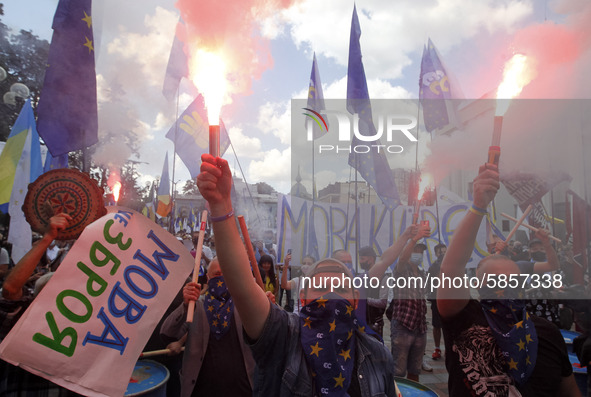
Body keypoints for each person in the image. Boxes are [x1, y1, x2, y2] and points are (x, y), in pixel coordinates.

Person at [197, 154, 396, 396]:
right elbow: (242, 286)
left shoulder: (378, 355)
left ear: (355, 299)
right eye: (321, 288)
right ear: (302, 298)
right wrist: (221, 205)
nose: (331, 294)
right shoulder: (283, 337)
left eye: (340, 288)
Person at [438, 163, 579, 397]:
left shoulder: (546, 331)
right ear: (479, 286)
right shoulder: (463, 319)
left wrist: (545, 243)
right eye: (493, 281)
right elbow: (452, 266)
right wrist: (478, 206)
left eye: (511, 281)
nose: (503, 287)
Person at [161, 258, 255, 397]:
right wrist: (185, 305)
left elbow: (270, 332)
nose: (222, 278)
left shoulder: (244, 306)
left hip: (242, 387)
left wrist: (267, 306)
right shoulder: (196, 306)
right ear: (208, 278)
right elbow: (167, 332)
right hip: (202, 388)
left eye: (226, 274)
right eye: (217, 275)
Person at [358, 246, 388, 337]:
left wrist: (364, 299)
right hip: (362, 321)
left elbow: (383, 302)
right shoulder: (361, 277)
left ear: (371, 259)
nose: (360, 261)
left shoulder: (383, 277)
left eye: (362, 259)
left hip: (375, 323)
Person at [427, 243, 446, 360]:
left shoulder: (452, 265)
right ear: (436, 254)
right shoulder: (433, 267)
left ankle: (450, 347)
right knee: (436, 325)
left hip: (450, 299)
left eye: (445, 252)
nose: (443, 254)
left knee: (449, 325)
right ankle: (437, 348)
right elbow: (429, 284)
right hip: (437, 300)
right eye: (440, 252)